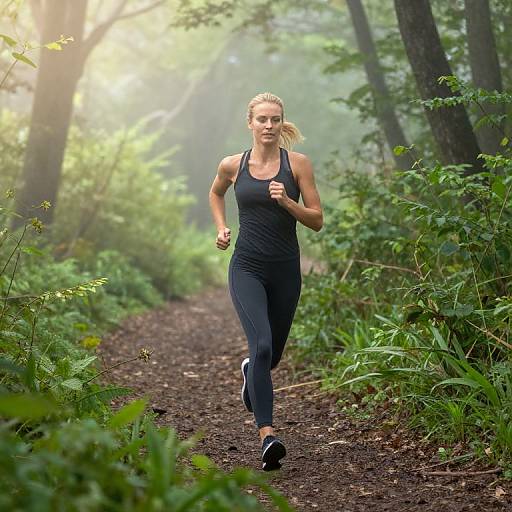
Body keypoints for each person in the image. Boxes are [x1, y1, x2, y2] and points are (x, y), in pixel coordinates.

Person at [208, 92, 323, 471]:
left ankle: (249, 373)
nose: (269, 126)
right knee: (260, 345)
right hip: (247, 267)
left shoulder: (298, 165)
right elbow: (215, 193)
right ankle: (267, 436)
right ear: (251, 123)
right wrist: (223, 228)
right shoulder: (233, 165)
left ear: (281, 122)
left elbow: (317, 220)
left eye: (275, 120)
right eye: (262, 120)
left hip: (286, 270)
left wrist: (288, 202)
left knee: (270, 356)